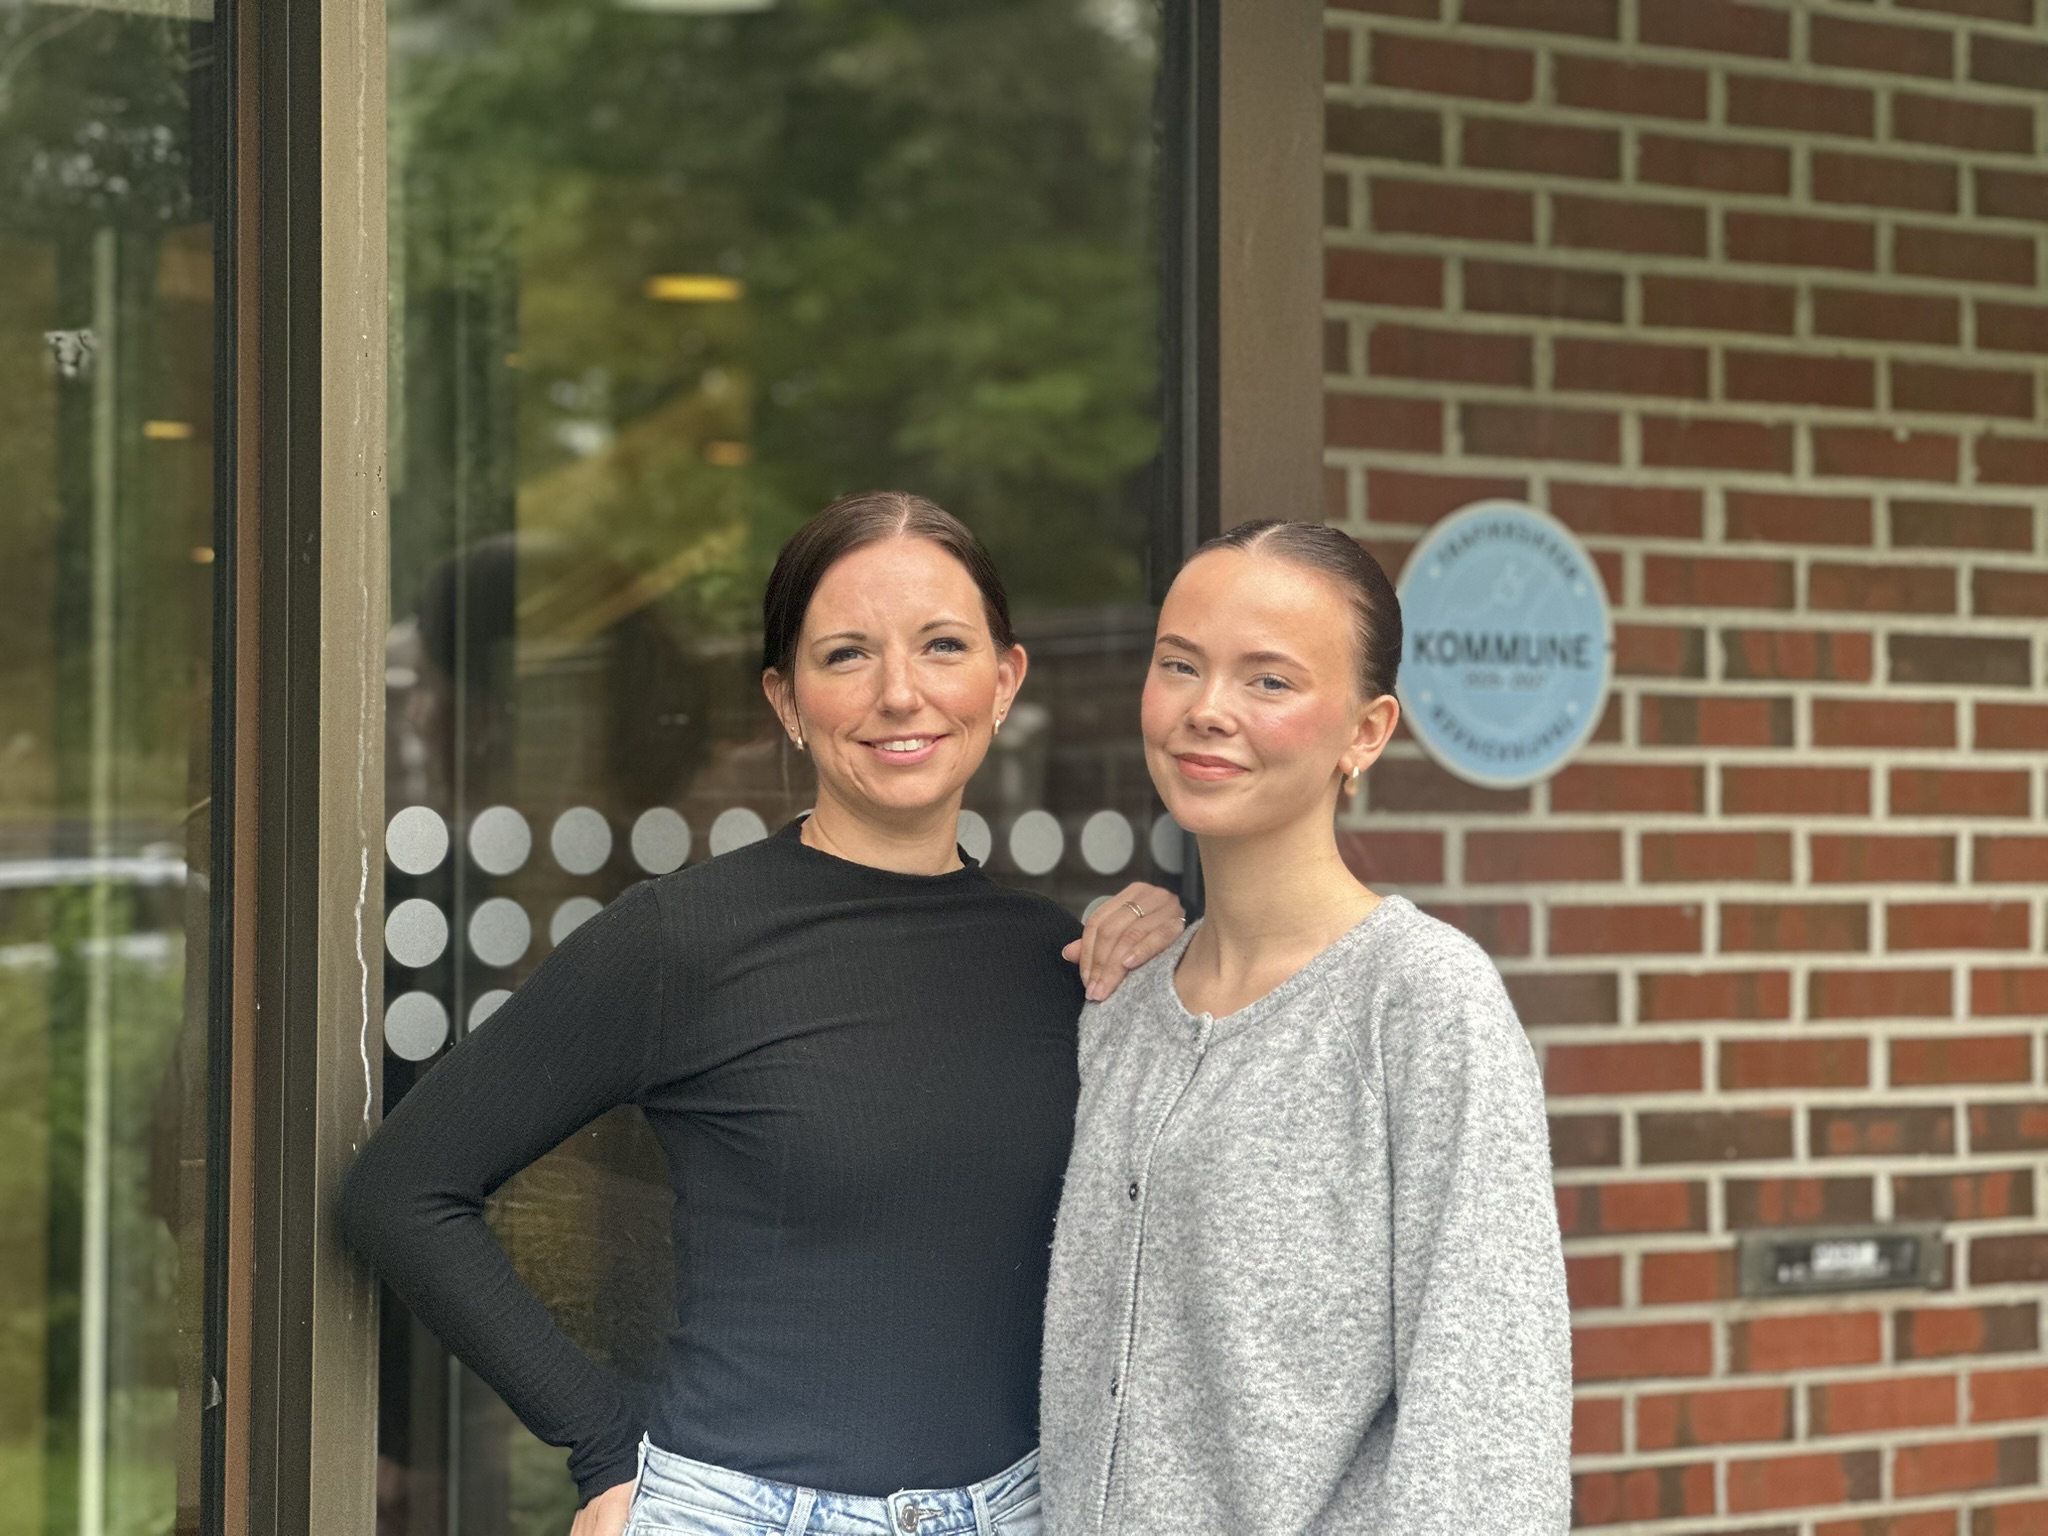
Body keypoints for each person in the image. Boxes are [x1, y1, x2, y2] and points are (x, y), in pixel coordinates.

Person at [340, 491, 1189, 1536]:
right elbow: (403, 1191)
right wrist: (601, 1444)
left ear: (1003, 680)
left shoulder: (1059, 961)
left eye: (942, 646)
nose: (900, 693)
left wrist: (1189, 949)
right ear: (785, 701)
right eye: (846, 656)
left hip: (1020, 1509)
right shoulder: (682, 940)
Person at [1040, 520, 1572, 1536]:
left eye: (1268, 680)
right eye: (1179, 665)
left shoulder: (1420, 1000)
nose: (1206, 709)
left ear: (1366, 732)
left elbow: (1489, 1422)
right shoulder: (1123, 1003)